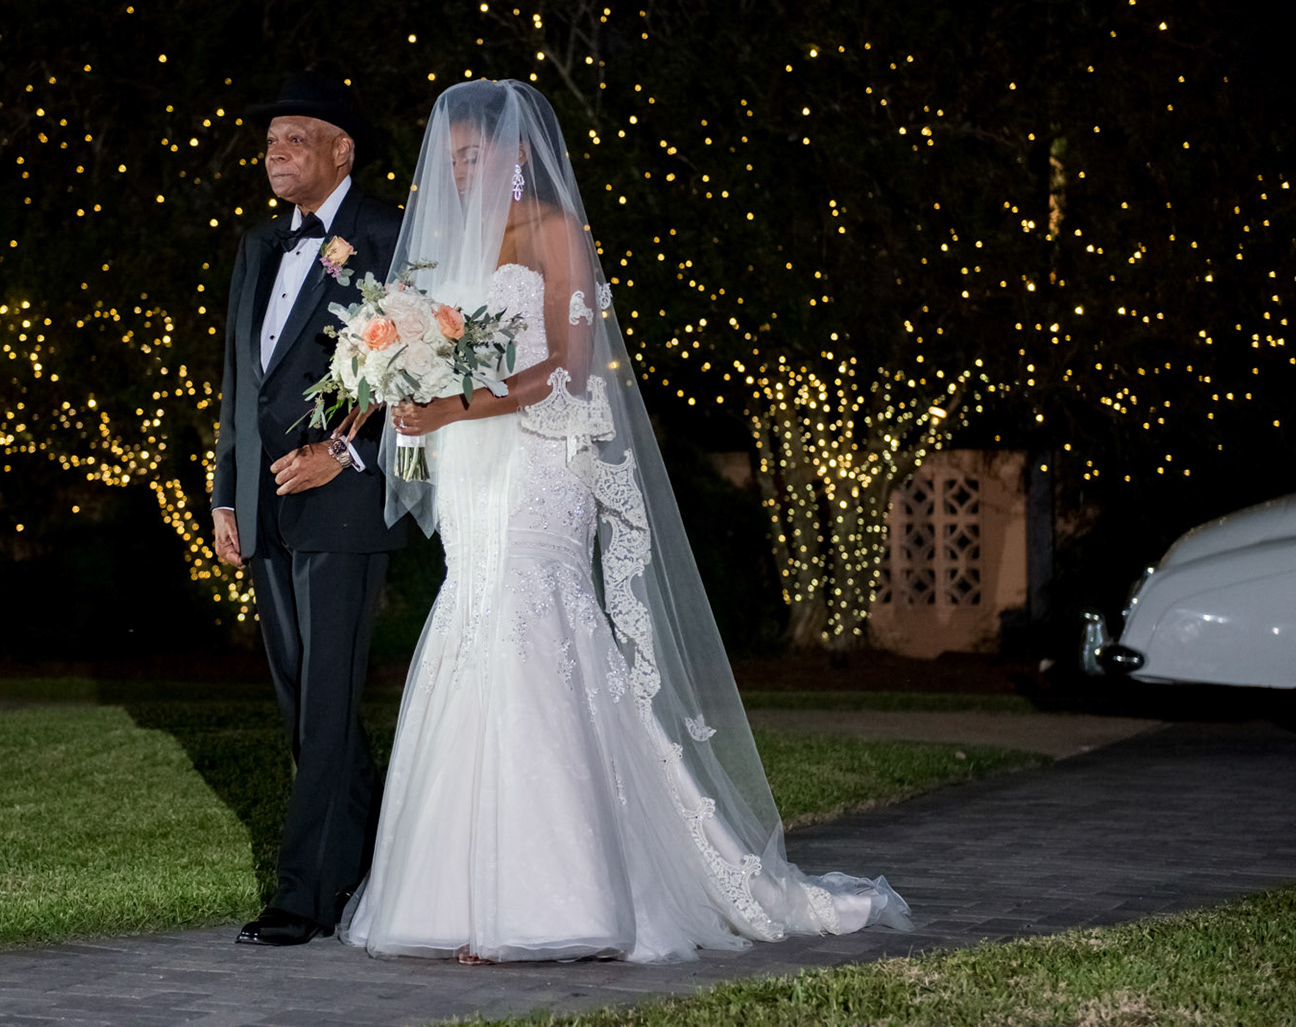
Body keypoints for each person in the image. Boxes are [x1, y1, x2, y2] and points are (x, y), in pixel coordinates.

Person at [340, 79, 910, 963]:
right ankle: (456, 897)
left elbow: (571, 369)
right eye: (448, 158)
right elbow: (431, 348)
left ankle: (553, 901)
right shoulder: (452, 251)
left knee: (537, 630)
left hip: (540, 460)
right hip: (473, 477)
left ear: (516, 154)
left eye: (471, 156)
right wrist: (409, 392)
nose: (457, 172)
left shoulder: (556, 234)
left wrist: (454, 406)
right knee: (474, 629)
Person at [214, 70, 410, 946]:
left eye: (296, 137)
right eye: (270, 140)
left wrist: (345, 455)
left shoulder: (391, 235)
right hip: (264, 504)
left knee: (326, 703)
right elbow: (236, 383)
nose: (276, 152)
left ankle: (307, 895)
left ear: (343, 151)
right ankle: (376, 862)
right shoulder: (259, 246)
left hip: (347, 498)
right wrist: (225, 493)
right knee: (302, 704)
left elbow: (419, 372)